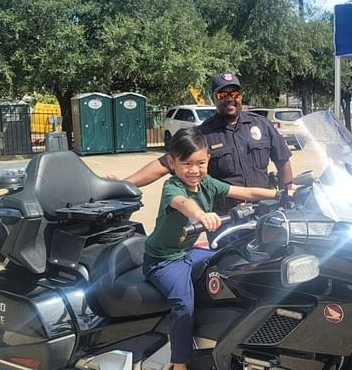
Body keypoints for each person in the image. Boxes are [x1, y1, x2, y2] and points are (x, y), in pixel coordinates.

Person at [143, 127, 281, 370]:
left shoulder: (207, 183)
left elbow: (246, 192)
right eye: (186, 164)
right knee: (183, 304)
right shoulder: (172, 187)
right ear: (172, 163)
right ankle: (179, 362)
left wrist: (280, 195)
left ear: (208, 159)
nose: (194, 170)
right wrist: (202, 215)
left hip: (187, 253)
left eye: (200, 163)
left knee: (230, 264)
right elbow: (183, 204)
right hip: (163, 260)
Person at [122, 72, 293, 238]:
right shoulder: (203, 134)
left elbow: (283, 161)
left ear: (240, 96)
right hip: (226, 219)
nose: (229, 98)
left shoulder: (262, 124)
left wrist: (285, 199)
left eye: (234, 93)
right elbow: (165, 164)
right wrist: (122, 185)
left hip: (265, 213)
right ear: (213, 99)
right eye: (222, 94)